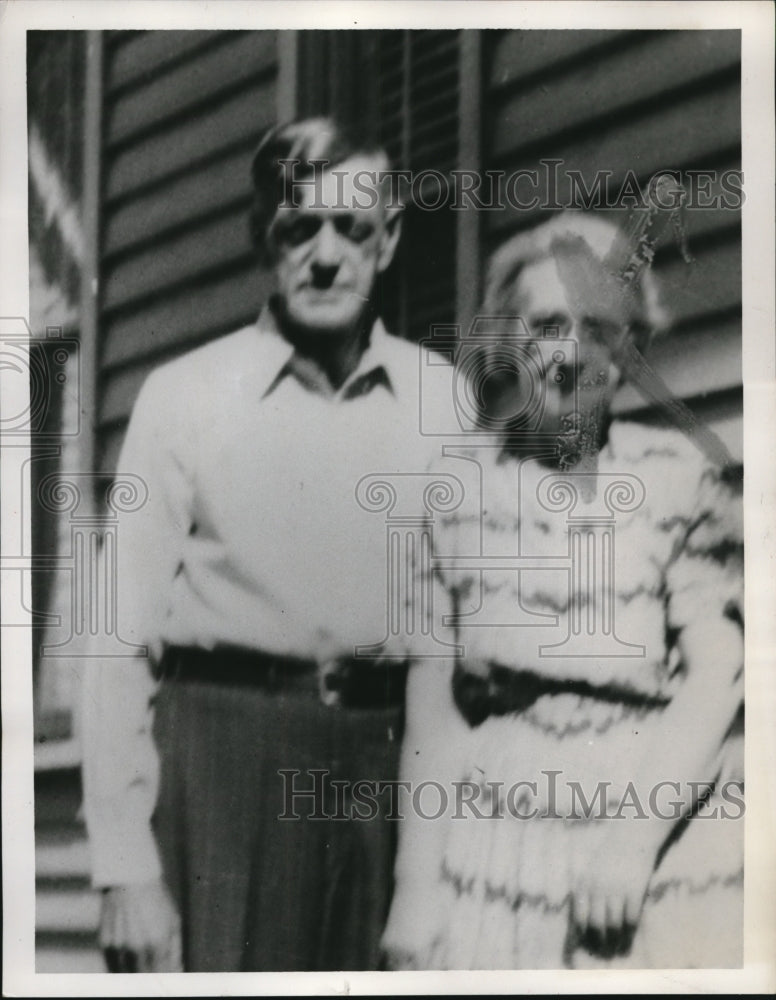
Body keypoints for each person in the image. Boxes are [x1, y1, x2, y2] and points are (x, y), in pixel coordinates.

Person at [80, 117, 447, 972]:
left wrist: (424, 877)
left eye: (352, 228)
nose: (325, 255)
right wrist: (123, 866)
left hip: (378, 764)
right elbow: (113, 640)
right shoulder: (183, 398)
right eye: (298, 228)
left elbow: (443, 646)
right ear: (261, 240)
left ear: (387, 240)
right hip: (220, 763)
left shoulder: (443, 403)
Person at [382, 211, 744, 969]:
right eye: (548, 323)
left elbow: (718, 677)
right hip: (495, 840)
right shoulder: (458, 494)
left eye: (601, 328)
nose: (572, 353)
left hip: (645, 822)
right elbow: (435, 703)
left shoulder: (676, 480)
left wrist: (634, 841)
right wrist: (415, 892)